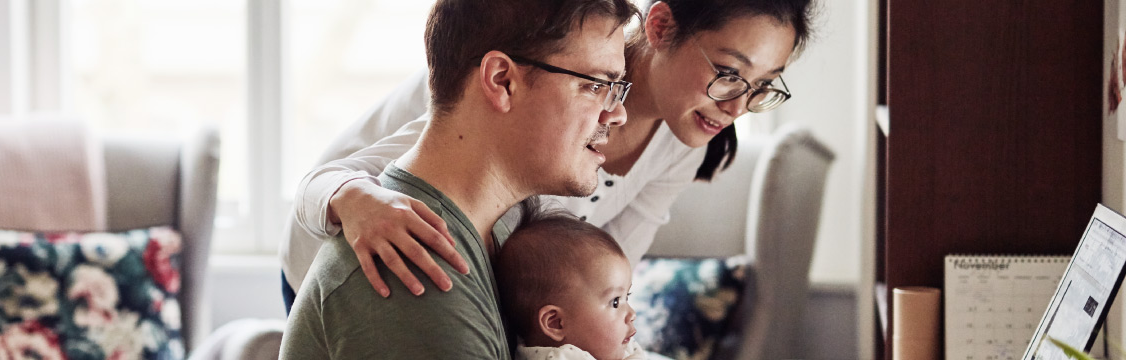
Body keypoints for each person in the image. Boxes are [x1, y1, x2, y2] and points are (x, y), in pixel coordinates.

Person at [282, 0, 817, 306]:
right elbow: (324, 182)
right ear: (660, 25)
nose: (739, 105)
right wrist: (355, 202)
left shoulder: (680, 143)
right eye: (728, 74)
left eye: (763, 85)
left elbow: (606, 271)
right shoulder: (536, 82)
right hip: (328, 258)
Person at [278, 0, 639, 358]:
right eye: (595, 86)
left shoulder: (509, 222)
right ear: (502, 80)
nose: (618, 113)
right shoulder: (413, 274)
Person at [495, 204, 646, 360]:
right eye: (615, 302)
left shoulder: (616, 347)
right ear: (556, 323)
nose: (632, 314)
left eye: (626, 297)